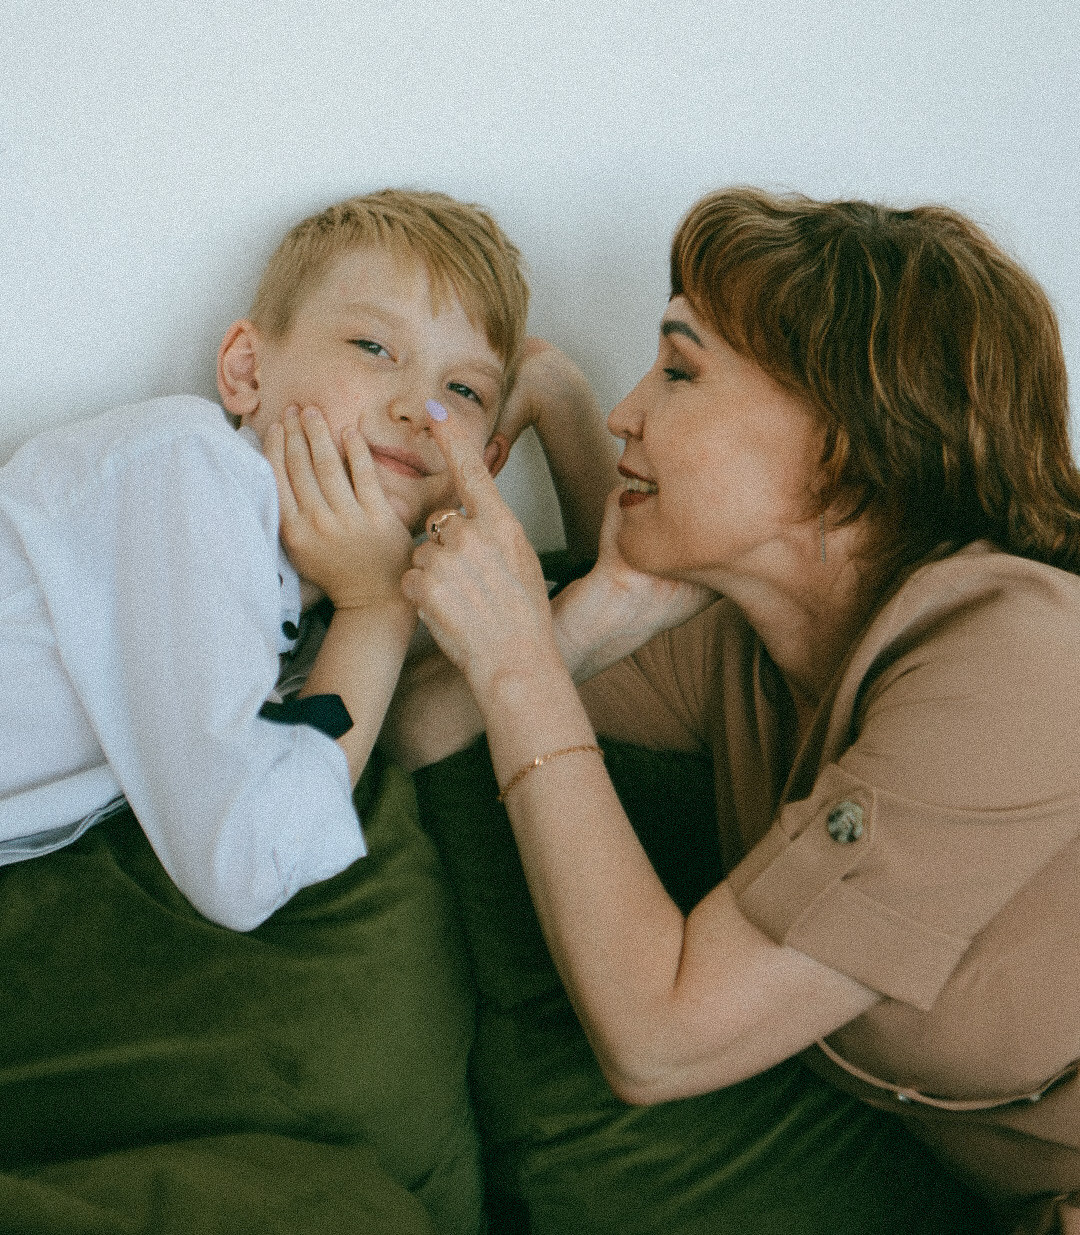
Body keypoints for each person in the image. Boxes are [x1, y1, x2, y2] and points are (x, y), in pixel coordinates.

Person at [383, 188, 1080, 1235]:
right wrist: (592, 605)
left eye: (677, 369)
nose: (630, 410)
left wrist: (525, 660)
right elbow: (421, 733)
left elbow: (660, 1037)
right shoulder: (754, 644)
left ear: (843, 442)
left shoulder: (1020, 659)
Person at [0, 186, 618, 1235]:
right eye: (374, 347)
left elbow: (589, 631)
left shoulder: (313, 594)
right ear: (246, 369)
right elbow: (247, 862)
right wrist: (375, 609)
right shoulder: (187, 468)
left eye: (465, 391)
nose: (414, 407)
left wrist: (557, 400)